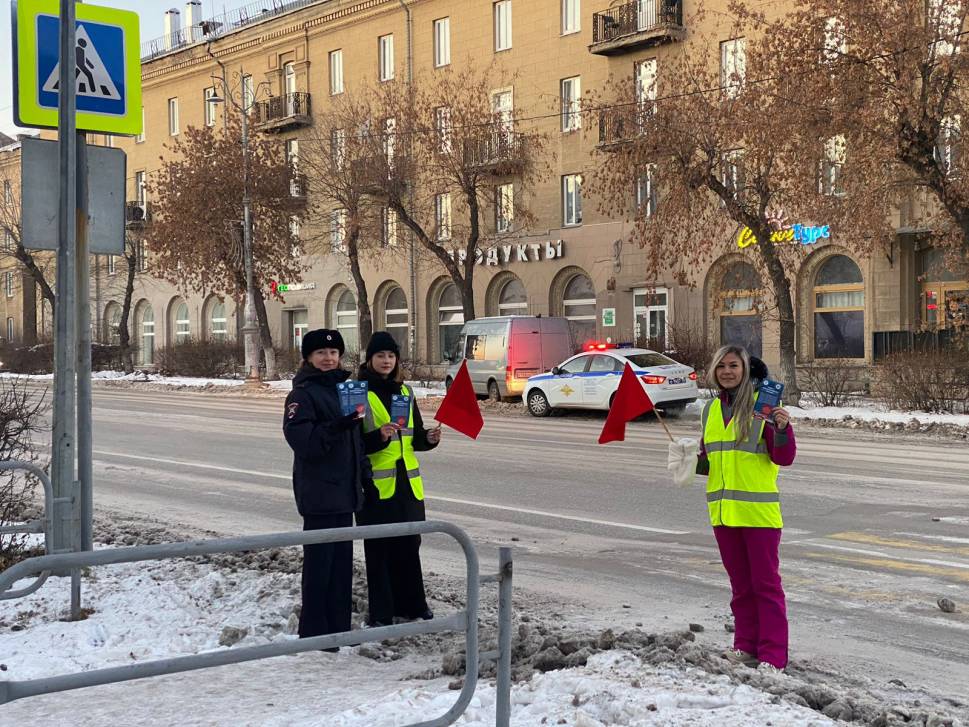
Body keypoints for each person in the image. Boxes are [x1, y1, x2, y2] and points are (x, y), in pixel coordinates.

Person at [668, 346, 796, 674]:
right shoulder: (710, 410)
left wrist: (782, 430)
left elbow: (783, 457)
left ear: (745, 368)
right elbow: (715, 462)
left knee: (765, 587)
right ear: (714, 371)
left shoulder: (763, 405)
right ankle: (746, 646)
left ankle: (772, 656)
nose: (727, 371)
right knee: (740, 587)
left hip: (758, 515)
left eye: (734, 365)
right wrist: (688, 460)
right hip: (723, 514)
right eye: (721, 366)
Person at [282, 329, 368, 643]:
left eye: (333, 353)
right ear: (308, 357)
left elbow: (356, 441)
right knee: (320, 567)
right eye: (321, 353)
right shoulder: (302, 395)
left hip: (345, 492)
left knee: (342, 566)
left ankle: (339, 630)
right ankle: (316, 633)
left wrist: (364, 477)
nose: (329, 358)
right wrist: (338, 425)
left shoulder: (348, 389)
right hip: (319, 493)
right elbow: (303, 441)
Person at [357, 331, 442, 627]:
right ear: (370, 359)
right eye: (380, 356)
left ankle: (413, 605)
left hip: (407, 483)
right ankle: (382, 612)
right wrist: (378, 437)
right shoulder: (359, 392)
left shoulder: (405, 392)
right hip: (375, 485)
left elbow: (414, 437)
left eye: (391, 356)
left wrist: (429, 438)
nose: (386, 361)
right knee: (380, 550)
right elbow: (351, 442)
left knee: (409, 545)